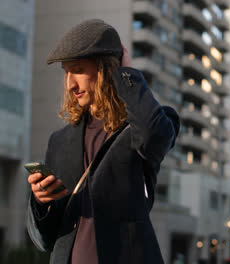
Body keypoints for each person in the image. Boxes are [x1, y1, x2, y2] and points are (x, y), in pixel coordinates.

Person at [26, 19, 179, 264]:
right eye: (66, 73)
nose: (70, 84)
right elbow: (44, 240)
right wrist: (41, 203)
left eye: (78, 70)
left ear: (104, 68)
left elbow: (154, 136)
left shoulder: (142, 126)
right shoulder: (59, 142)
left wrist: (127, 73)